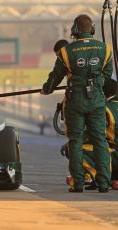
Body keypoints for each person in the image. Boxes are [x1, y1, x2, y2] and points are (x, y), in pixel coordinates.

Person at [41, 14, 113, 193]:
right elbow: (106, 75)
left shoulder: (66, 52)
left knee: (75, 141)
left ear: (75, 30)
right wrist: (95, 87)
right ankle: (104, 184)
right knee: (100, 141)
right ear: (92, 29)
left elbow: (55, 77)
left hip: (75, 103)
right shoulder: (106, 50)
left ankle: (79, 183)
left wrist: (46, 89)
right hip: (96, 101)